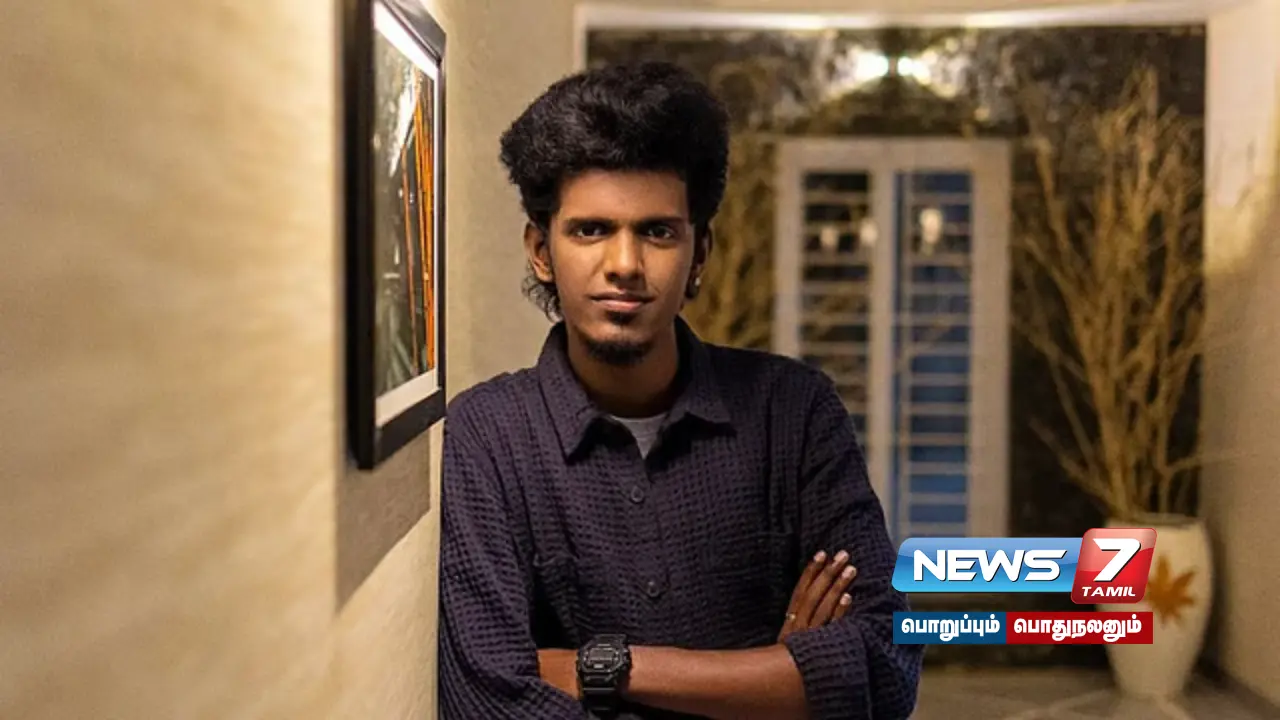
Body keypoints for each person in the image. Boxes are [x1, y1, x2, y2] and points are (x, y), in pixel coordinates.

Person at [437, 61, 922, 720]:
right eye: (591, 230)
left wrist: (603, 667)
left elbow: (886, 663)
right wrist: (771, 683)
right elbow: (488, 702)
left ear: (700, 253)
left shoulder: (795, 411)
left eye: (657, 231)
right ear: (541, 251)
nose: (625, 265)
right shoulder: (488, 437)